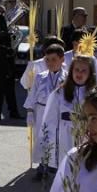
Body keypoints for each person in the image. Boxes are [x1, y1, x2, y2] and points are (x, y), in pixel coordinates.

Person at [41, 53, 97, 175]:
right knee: (66, 171)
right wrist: (48, 144)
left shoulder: (95, 94)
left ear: (90, 73)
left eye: (84, 71)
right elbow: (49, 120)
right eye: (76, 70)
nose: (79, 73)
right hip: (65, 137)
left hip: (86, 136)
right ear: (71, 71)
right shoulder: (60, 92)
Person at [24, 44, 65, 180]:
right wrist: (30, 111)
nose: (50, 63)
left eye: (54, 59)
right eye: (47, 60)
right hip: (41, 111)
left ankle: (56, 167)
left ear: (62, 60)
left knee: (56, 139)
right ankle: (42, 166)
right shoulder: (40, 77)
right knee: (41, 138)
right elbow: (32, 94)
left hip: (58, 113)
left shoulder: (67, 78)